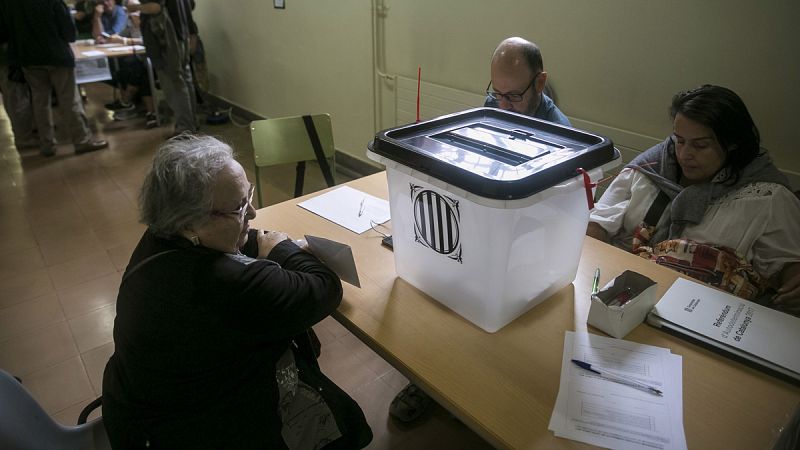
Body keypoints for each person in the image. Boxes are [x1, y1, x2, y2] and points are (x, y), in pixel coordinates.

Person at [102, 134, 373, 449]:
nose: (254, 213)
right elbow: (325, 289)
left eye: (249, 197)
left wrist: (255, 236)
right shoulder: (225, 283)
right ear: (191, 222)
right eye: (240, 207)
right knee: (347, 424)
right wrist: (283, 249)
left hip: (142, 409)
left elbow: (241, 236)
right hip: (199, 428)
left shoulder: (165, 234)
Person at [587, 85, 800, 316]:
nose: (684, 154)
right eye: (679, 140)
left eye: (700, 145)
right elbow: (598, 223)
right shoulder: (650, 168)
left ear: (732, 143)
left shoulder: (766, 198)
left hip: (705, 315)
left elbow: (788, 265)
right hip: (623, 298)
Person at [0, 0, 108, 157]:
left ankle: (47, 144)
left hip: (28, 58)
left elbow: (4, 33)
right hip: (58, 55)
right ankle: (82, 140)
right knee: (69, 99)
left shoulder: (9, 4)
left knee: (39, 101)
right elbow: (69, 33)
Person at [127, 0, 199, 135]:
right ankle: (191, 123)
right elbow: (190, 5)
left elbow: (155, 7)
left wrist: (135, 7)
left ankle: (185, 128)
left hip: (166, 42)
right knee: (185, 82)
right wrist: (193, 34)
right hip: (181, 36)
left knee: (174, 85)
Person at [484, 36, 570, 126]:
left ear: (540, 83)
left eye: (514, 95)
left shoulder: (558, 133)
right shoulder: (492, 104)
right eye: (498, 93)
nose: (503, 106)